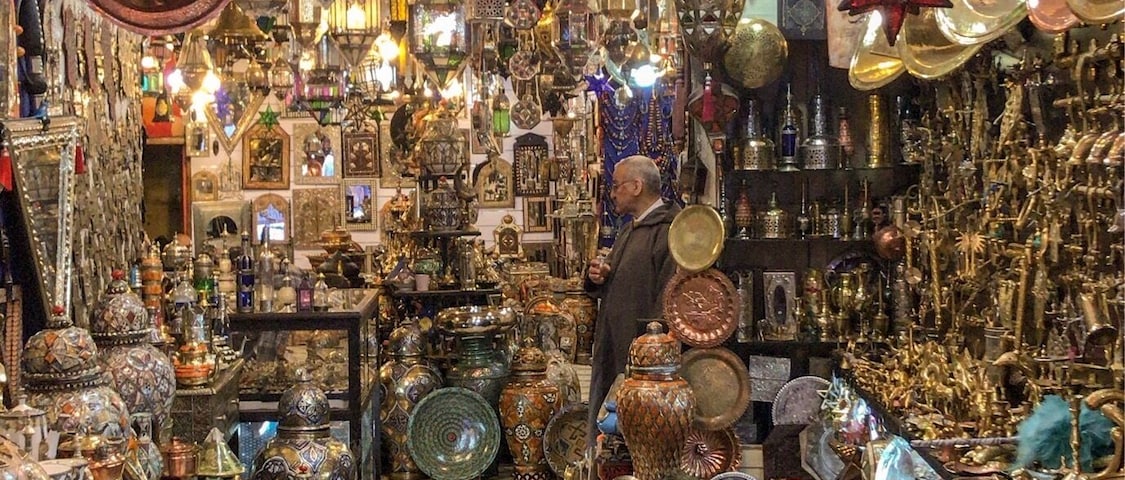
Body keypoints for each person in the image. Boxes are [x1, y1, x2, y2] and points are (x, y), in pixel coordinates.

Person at [584, 155, 680, 448]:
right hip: (617, 343)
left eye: (616, 186)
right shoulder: (630, 229)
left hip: (645, 358)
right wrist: (598, 275)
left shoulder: (668, 231)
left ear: (636, 186)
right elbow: (611, 275)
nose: (612, 193)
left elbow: (670, 295)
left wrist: (651, 349)